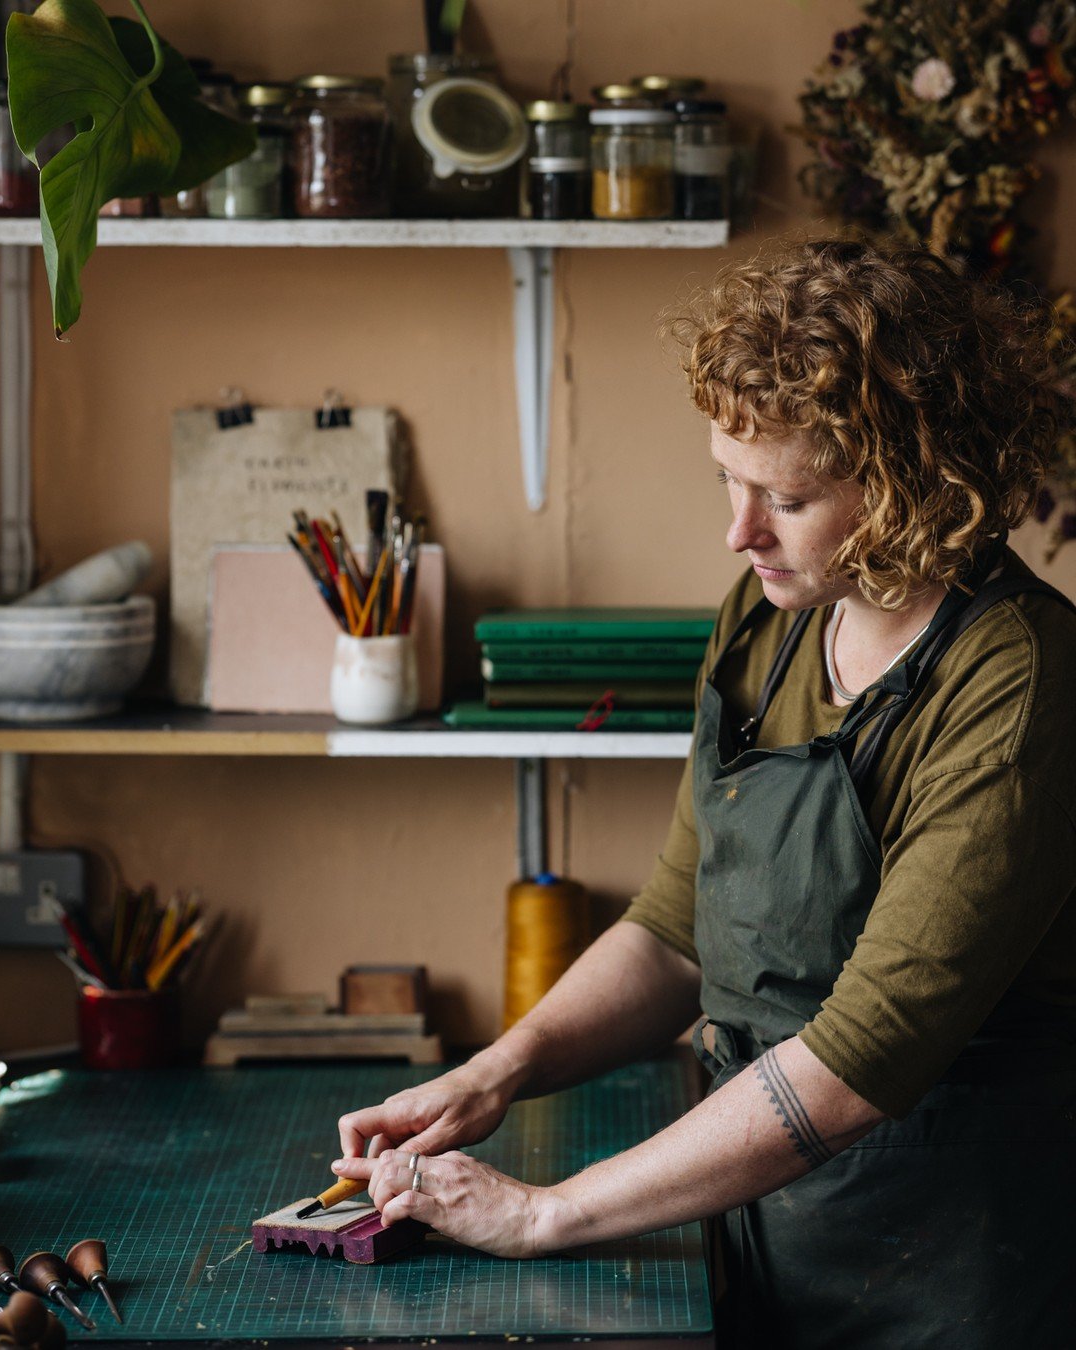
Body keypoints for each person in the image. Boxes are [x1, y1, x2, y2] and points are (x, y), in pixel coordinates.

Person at [328, 239, 1076, 1347]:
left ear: (920, 476)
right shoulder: (768, 621)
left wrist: (544, 1213)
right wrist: (492, 1077)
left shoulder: (1016, 681)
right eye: (728, 478)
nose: (740, 530)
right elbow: (680, 933)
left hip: (956, 1270)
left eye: (789, 494)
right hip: (760, 1230)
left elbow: (865, 1057)